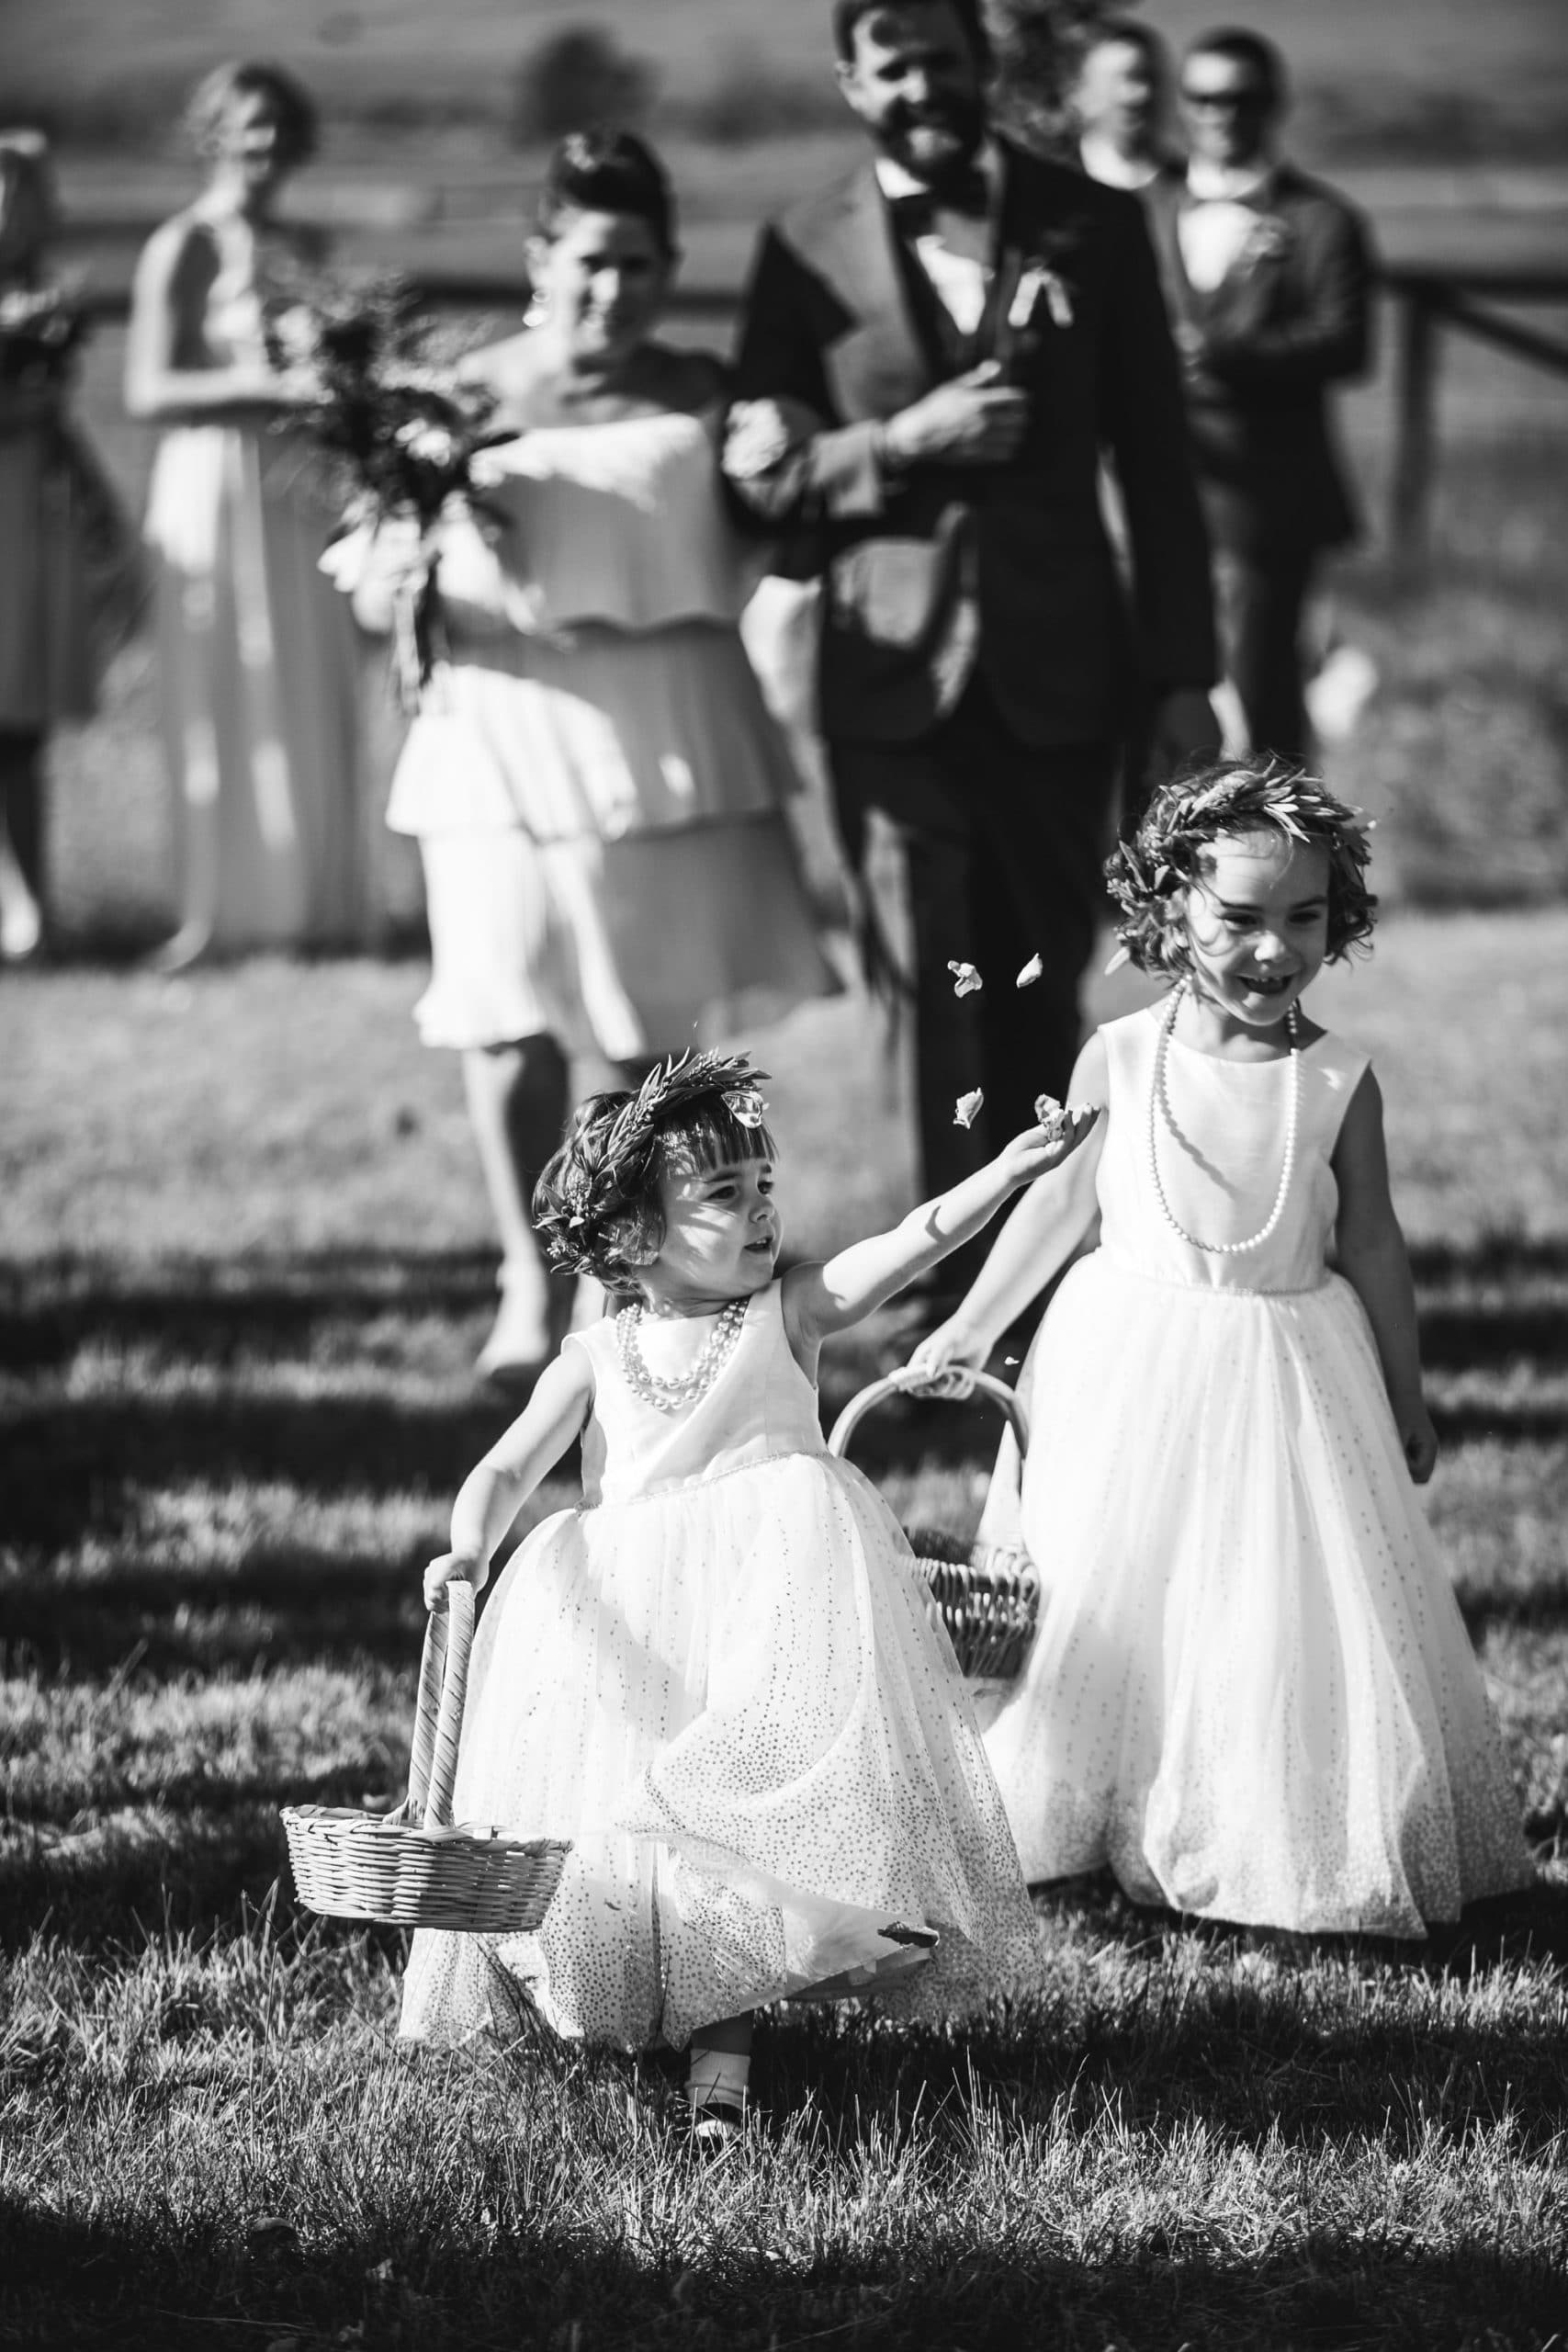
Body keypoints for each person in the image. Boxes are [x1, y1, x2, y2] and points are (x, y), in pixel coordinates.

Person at [400, 1049, 1097, 2130]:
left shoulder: (788, 1314)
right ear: (636, 1234)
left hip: (769, 1601)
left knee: (731, 1835)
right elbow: (505, 1467)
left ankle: (723, 2079)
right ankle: (606, 2003)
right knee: (624, 1838)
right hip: (631, 1620)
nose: (763, 1212)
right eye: (726, 1195)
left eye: (766, 1186)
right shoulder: (594, 1354)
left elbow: (901, 1250)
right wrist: (468, 1545)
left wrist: (1001, 1175)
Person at [911, 759, 1535, 1936]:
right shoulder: (1122, 1055)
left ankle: (1252, 1810)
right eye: (1239, 919)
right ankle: (1088, 1794)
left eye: (1303, 918)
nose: (1271, 950)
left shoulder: (1338, 1079)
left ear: (1339, 918)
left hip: (1289, 1375)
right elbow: (1060, 1206)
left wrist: (1405, 1393)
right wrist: (972, 1322)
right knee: (1110, 1589)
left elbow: (1380, 1247)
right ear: (1169, 910)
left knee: (1259, 1603)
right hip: (1125, 1361)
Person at [339, 133, 836, 1382]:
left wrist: (780, 470)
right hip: (494, 729)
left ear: (669, 268)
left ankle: (612, 1279)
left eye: (639, 265)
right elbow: (371, 584)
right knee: (500, 1019)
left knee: (631, 1043)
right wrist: (396, 579)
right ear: (538, 260)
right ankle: (522, 1265)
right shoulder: (454, 398)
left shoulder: (704, 396)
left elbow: (779, 547)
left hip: (657, 731)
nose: (612, 289)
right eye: (589, 262)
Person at [727, 0, 1217, 1238]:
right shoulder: (797, 244)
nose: (922, 87)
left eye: (943, 62)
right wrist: (896, 443)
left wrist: (1181, 674)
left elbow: (1157, 468)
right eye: (892, 68)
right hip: (884, 670)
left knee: (1042, 976)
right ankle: (929, 1279)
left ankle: (1043, 1273)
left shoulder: (1091, 223)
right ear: (850, 80)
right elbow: (759, 470)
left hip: (1063, 664)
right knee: (916, 987)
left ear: (980, 68)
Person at [125, 62, 367, 968]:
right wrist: (271, 384)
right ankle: (219, 911)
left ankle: (317, 904)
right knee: (227, 684)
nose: (263, 143)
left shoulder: (308, 242)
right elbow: (148, 386)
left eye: (278, 126)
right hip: (212, 482)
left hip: (296, 485)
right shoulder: (182, 243)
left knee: (305, 677)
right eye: (247, 124)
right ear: (215, 132)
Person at [1141, 29, 1374, 762]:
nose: (1221, 114)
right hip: (1151, 489)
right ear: (1180, 105)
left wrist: (1227, 354)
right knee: (1149, 693)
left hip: (1268, 498)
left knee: (1258, 692)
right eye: (1204, 97)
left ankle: (1272, 865)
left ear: (1274, 105)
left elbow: (1346, 342)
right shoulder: (1145, 209)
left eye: (1240, 98)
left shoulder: (1322, 219)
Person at [0, 130, 139, 962]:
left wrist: (100, 506)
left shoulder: (43, 299)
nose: (14, 209)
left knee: (18, 721)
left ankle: (33, 911)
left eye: (26, 192)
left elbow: (53, 422)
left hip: (26, 520)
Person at [1071, 17, 1180, 195]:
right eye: (1125, 79)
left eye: (1151, 78)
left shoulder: (1191, 187)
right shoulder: (1052, 188)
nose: (1141, 94)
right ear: (1082, 92)